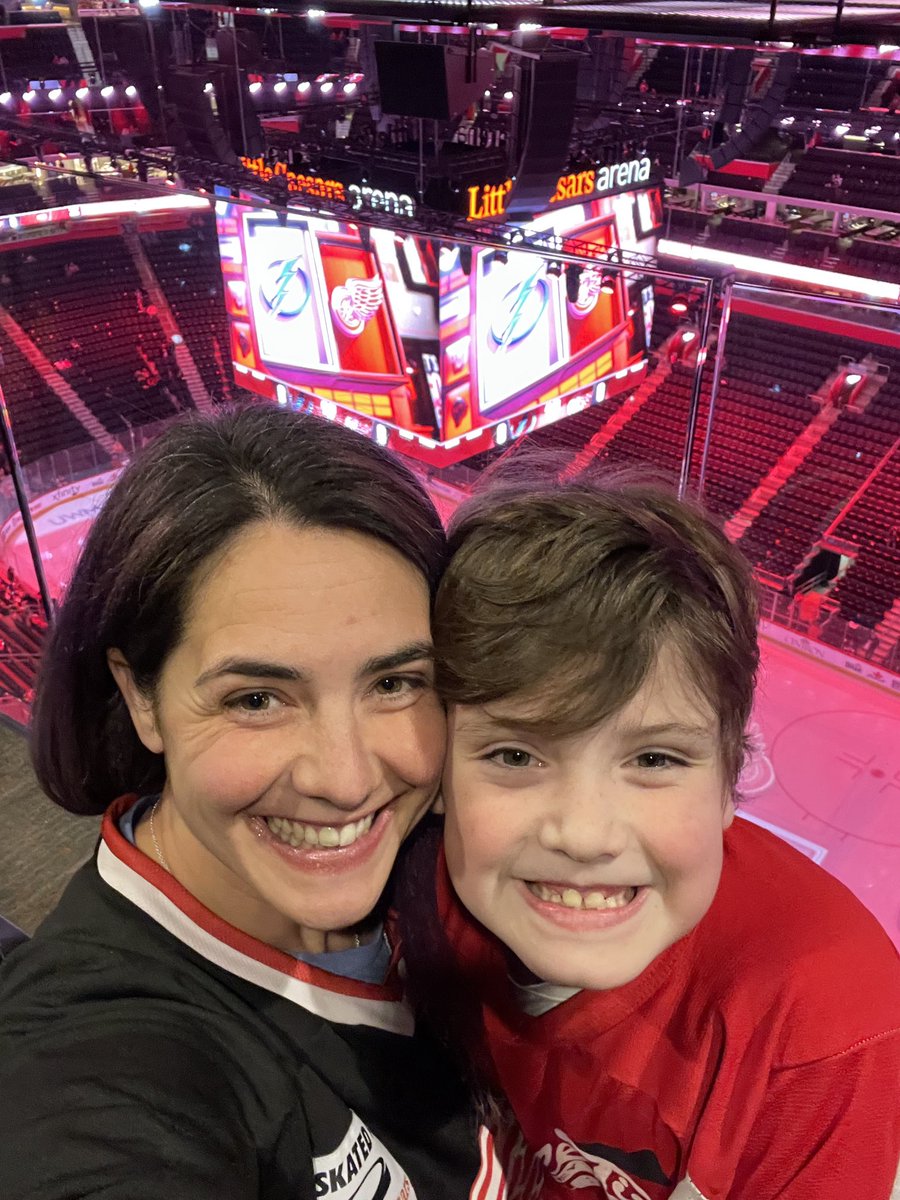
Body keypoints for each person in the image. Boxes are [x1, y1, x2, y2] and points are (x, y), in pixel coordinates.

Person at [0, 406, 502, 1199]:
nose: (343, 778)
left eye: (396, 682)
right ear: (141, 697)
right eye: (257, 699)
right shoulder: (107, 1054)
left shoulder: (460, 859)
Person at [412, 465, 900, 1199]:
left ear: (732, 778)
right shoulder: (409, 890)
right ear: (438, 771)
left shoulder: (828, 1032)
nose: (582, 834)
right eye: (515, 754)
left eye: (653, 758)